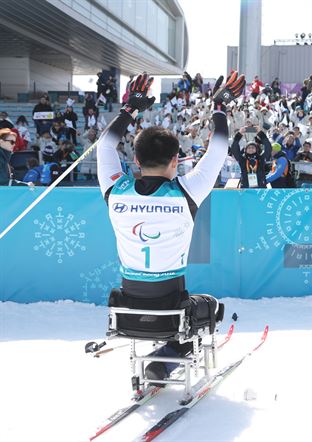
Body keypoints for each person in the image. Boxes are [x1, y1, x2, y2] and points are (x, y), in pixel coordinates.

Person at [96, 72, 245, 383]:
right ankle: (165, 361)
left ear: (135, 159)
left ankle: (162, 361)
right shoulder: (186, 192)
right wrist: (219, 107)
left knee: (182, 308)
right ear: (176, 160)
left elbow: (104, 147)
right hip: (174, 310)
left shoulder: (115, 191)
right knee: (212, 306)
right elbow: (218, 149)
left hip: (126, 308)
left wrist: (129, 109)